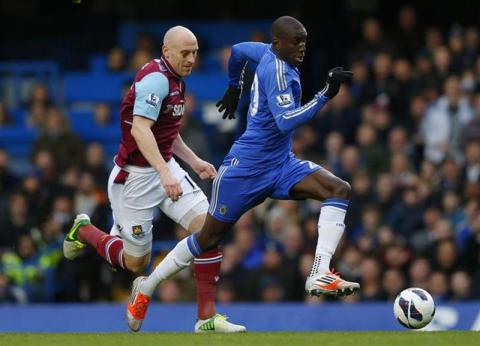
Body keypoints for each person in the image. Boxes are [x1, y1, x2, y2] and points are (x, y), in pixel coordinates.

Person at [127, 16, 361, 331]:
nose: (302, 47)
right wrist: (324, 96)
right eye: (296, 42)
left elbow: (237, 51)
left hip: (281, 164)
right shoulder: (275, 70)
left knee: (338, 189)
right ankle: (148, 285)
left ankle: (320, 271)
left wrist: (235, 87)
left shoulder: (264, 51)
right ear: (279, 43)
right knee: (207, 238)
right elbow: (286, 121)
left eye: (304, 41)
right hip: (245, 170)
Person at [63, 26, 245, 333]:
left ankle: (206, 318)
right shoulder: (156, 80)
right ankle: (85, 231)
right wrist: (163, 173)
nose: (191, 59)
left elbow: (165, 135)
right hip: (134, 179)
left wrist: (194, 161)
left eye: (195, 53)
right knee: (135, 263)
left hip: (165, 167)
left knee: (209, 229)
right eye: (185, 53)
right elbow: (140, 130)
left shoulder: (177, 81)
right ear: (166, 51)